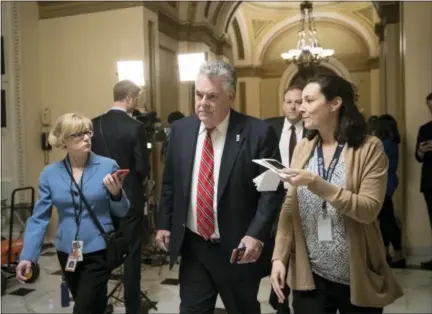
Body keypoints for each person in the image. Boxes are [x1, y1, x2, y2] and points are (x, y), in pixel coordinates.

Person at [156, 60, 285, 314]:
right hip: (195, 246)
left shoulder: (258, 132)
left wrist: (256, 234)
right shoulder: (181, 130)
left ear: (231, 96)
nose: (203, 103)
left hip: (237, 248)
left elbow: (272, 191)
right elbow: (170, 182)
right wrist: (164, 222)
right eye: (199, 94)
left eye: (212, 96)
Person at [270, 75, 403, 314]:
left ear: (335, 103)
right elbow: (289, 207)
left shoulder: (368, 147)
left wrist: (316, 182)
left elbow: (368, 210)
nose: (301, 108)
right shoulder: (303, 147)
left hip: (357, 275)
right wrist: (278, 257)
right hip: (311, 276)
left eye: (309, 101)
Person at [16, 113, 130, 314]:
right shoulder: (50, 174)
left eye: (88, 132)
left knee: (84, 308)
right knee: (89, 301)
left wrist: (116, 194)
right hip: (67, 250)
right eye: (78, 134)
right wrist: (28, 256)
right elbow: (39, 218)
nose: (86, 138)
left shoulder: (107, 165)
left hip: (99, 248)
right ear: (63, 141)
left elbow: (123, 210)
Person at [91, 80, 150, 314]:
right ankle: (132, 308)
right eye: (136, 98)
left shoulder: (95, 124)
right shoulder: (134, 127)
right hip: (129, 198)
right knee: (132, 254)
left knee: (101, 251)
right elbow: (143, 168)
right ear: (129, 98)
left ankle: (100, 303)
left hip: (101, 197)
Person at [265, 85, 306, 314]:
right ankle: (279, 298)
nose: (293, 106)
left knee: (296, 249)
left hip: (301, 197)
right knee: (277, 248)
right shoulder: (268, 127)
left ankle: (296, 294)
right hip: (275, 196)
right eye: (289, 101)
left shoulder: (312, 131)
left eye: (298, 102)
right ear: (283, 104)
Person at [374, 114, 406, 267]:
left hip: (383, 184)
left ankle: (395, 255)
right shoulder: (392, 142)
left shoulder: (384, 144)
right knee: (387, 220)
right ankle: (388, 254)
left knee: (388, 221)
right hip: (389, 182)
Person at [415, 92, 432, 270]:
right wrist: (421, 150)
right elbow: (417, 157)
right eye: (430, 108)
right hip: (429, 181)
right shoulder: (425, 129)